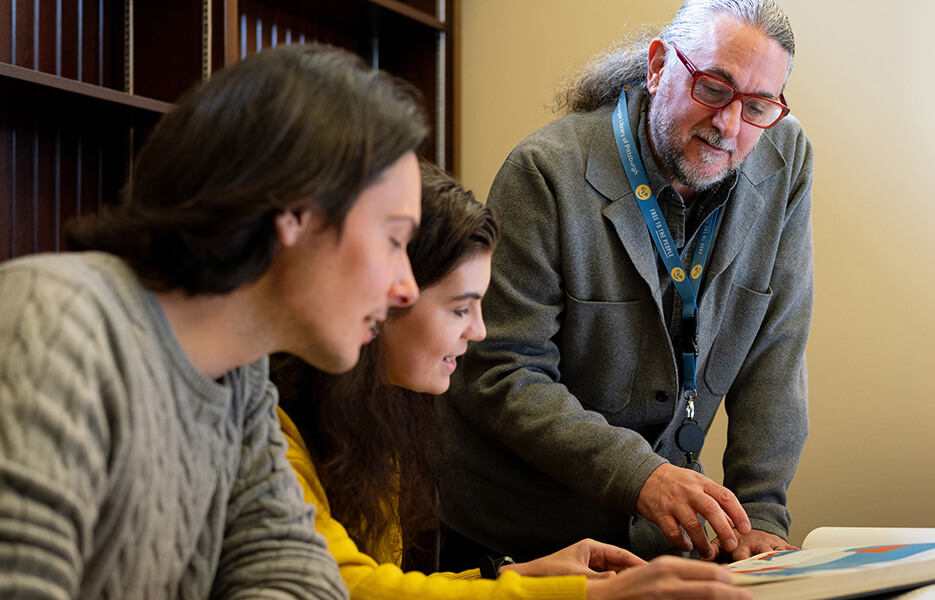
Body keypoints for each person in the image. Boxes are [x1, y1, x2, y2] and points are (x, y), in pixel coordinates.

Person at [0, 44, 428, 599]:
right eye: (394, 241)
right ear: (295, 213)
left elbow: (298, 578)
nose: (407, 289)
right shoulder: (59, 326)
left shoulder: (240, 379)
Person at [438, 0, 813, 568]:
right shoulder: (546, 172)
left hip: (659, 540)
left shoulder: (786, 158)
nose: (729, 125)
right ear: (660, 66)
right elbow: (504, 368)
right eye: (713, 88)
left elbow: (775, 349)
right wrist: (643, 475)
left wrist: (760, 514)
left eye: (758, 106)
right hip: (521, 540)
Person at [271, 162, 751, 599]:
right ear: (389, 293)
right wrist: (585, 597)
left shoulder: (379, 413)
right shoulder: (273, 427)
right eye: (461, 308)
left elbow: (385, 587)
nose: (478, 331)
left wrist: (514, 577)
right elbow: (345, 586)